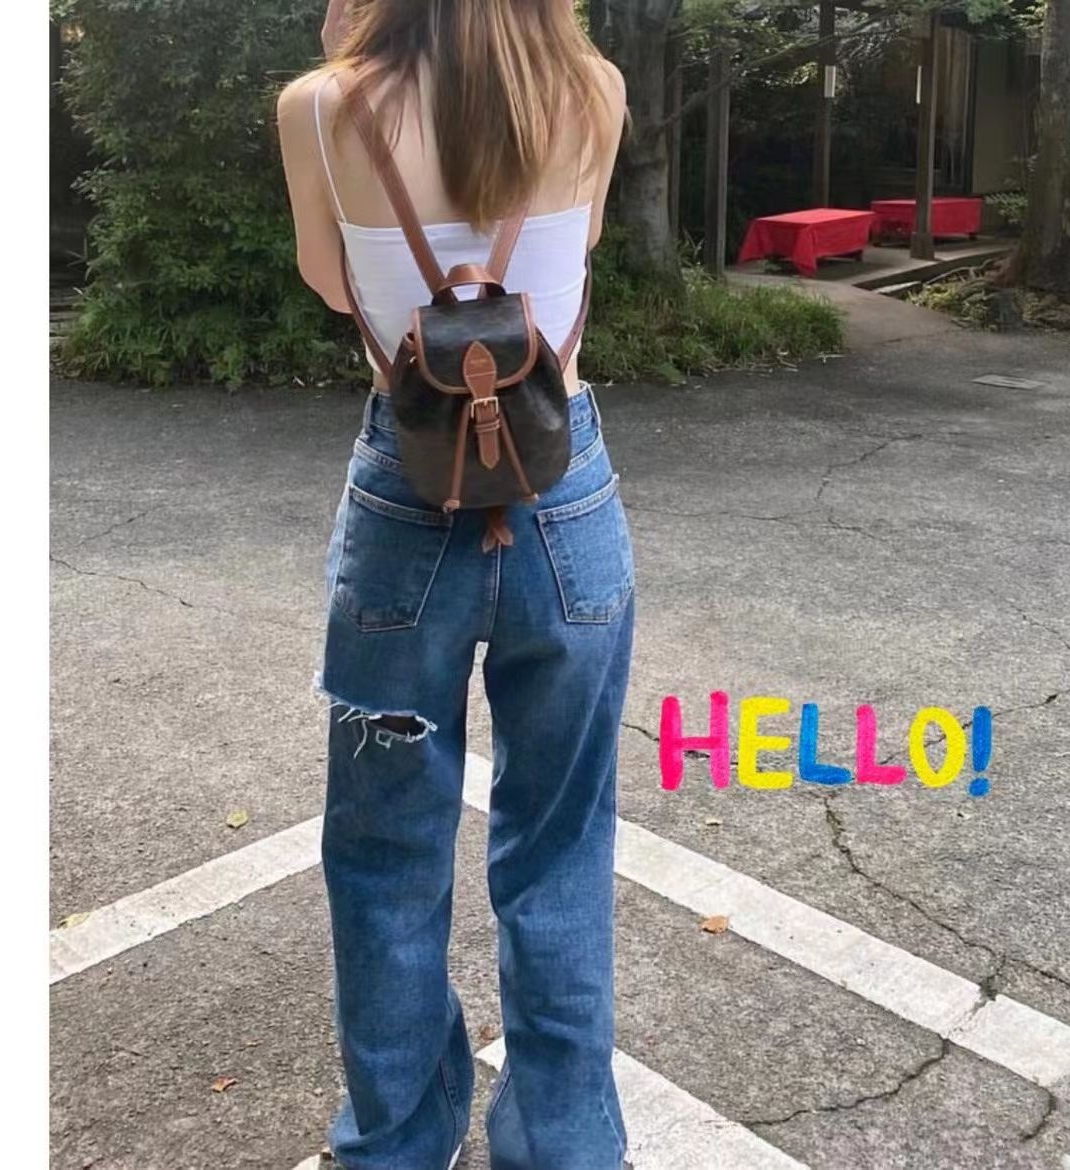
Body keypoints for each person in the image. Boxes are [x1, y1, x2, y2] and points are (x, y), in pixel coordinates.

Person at [276, 3, 633, 1167]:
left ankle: (395, 1142)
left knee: (385, 856)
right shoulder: (594, 90)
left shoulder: (321, 109)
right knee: (561, 848)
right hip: (563, 500)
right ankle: (565, 1147)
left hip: (407, 500)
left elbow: (336, 287)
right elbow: (573, 254)